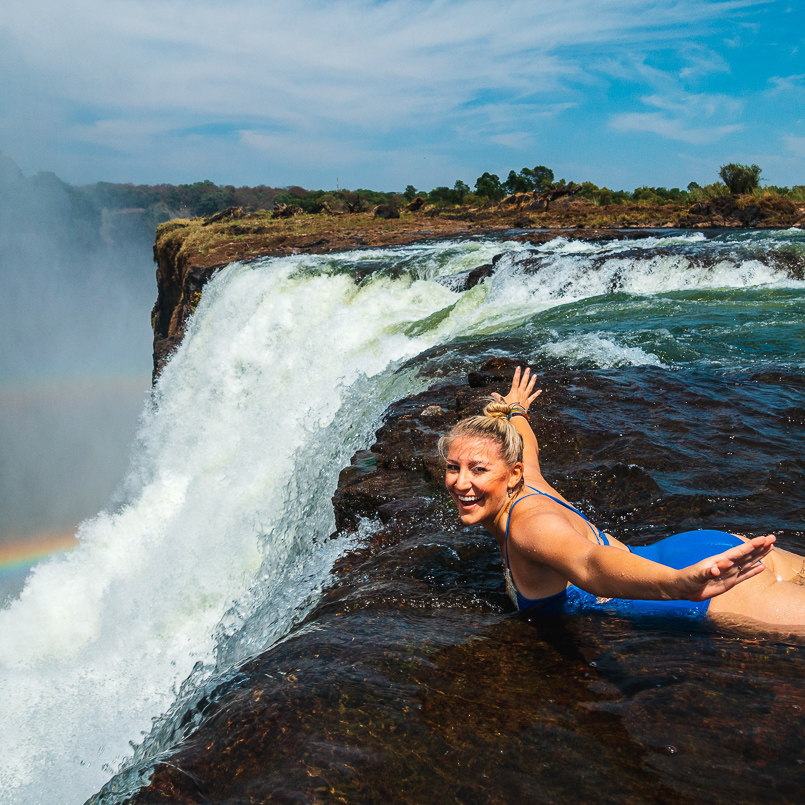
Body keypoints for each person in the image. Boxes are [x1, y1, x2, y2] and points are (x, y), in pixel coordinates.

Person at [440, 367, 805, 627]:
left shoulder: (529, 527)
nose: (461, 482)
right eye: (453, 467)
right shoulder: (526, 477)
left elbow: (589, 564)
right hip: (704, 549)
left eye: (478, 469)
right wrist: (516, 410)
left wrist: (680, 583)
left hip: (709, 589)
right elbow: (526, 443)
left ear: (510, 474)